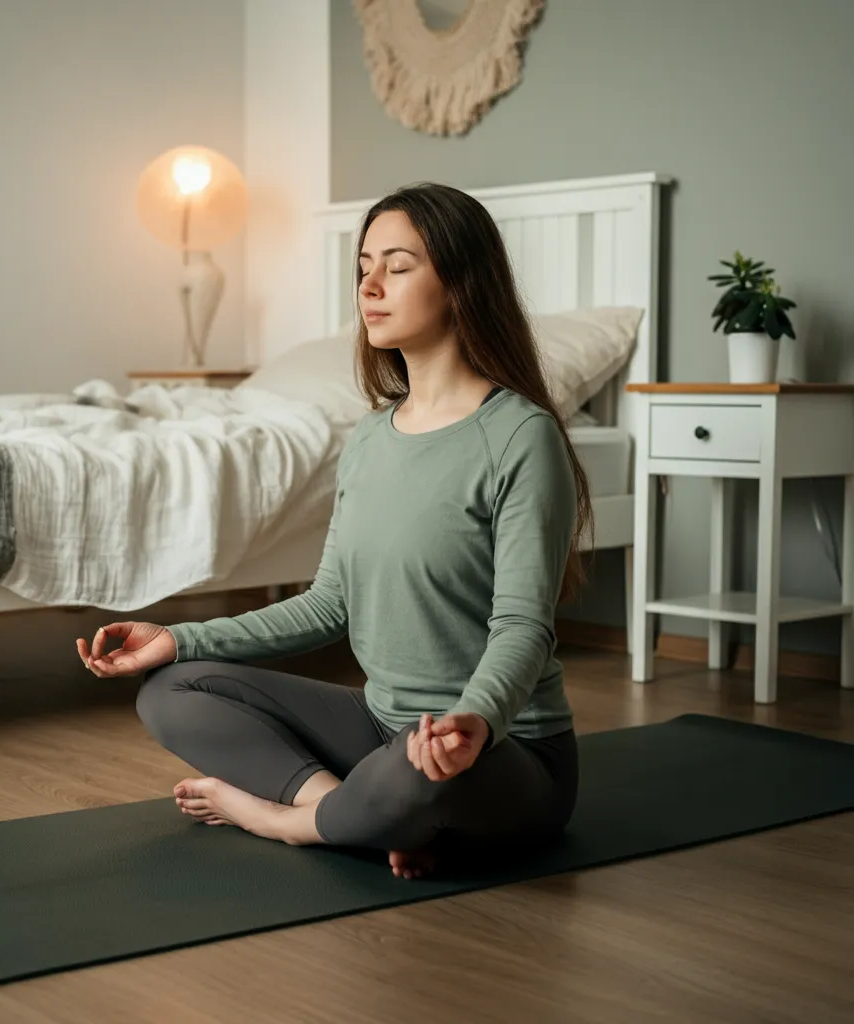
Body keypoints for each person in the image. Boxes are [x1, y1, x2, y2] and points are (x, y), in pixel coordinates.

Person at [76, 182, 594, 880]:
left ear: (462, 283)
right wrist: (175, 639)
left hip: (501, 753)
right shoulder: (371, 437)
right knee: (170, 691)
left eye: (398, 266)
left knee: (417, 770)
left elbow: (523, 628)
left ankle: (284, 821)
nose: (370, 286)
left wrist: (475, 720)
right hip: (382, 735)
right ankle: (354, 813)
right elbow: (330, 603)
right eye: (363, 268)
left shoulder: (520, 437)